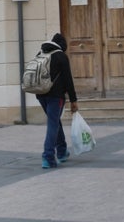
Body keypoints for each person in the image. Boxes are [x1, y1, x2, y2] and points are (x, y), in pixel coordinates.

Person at [36, 32, 78, 169]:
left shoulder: (40, 53)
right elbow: (68, 80)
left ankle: (61, 151)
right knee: (53, 124)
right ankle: (48, 156)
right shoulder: (61, 56)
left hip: (41, 94)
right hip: (56, 96)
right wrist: (73, 100)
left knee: (55, 121)